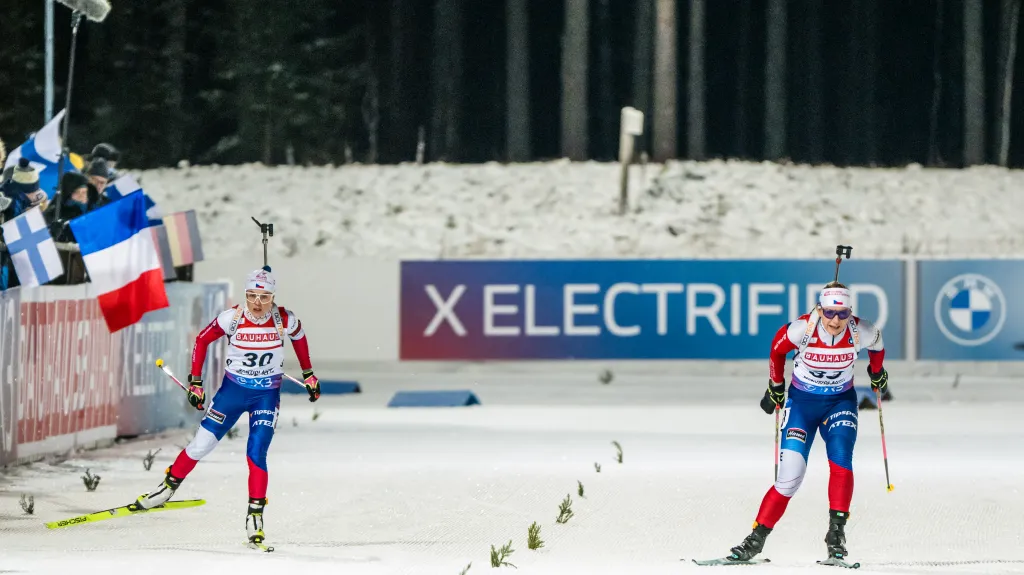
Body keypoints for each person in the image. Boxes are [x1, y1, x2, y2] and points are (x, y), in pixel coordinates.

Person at [133, 267, 321, 546]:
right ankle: (166, 489)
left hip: (266, 396)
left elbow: (300, 337)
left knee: (256, 451)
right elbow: (201, 340)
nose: (257, 303)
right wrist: (195, 382)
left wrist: (308, 374)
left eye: (264, 297)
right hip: (232, 393)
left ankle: (255, 516)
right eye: (252, 296)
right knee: (200, 445)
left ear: (273, 297)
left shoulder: (283, 319)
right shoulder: (231, 318)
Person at [724, 281, 888, 563]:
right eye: (829, 313)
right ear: (819, 309)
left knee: (841, 461)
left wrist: (877, 371)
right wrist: (776, 385)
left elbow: (878, 345)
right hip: (801, 405)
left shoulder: (863, 330)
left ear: (850, 312)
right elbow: (777, 350)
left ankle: (836, 536)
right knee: (789, 478)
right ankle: (756, 538)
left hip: (840, 403)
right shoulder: (802, 329)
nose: (836, 320)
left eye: (843, 314)